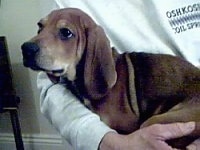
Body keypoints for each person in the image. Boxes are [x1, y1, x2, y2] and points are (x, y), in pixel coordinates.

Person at [37, 0, 200, 149]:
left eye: (65, 33)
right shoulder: (68, 5)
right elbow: (53, 90)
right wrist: (112, 143)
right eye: (40, 27)